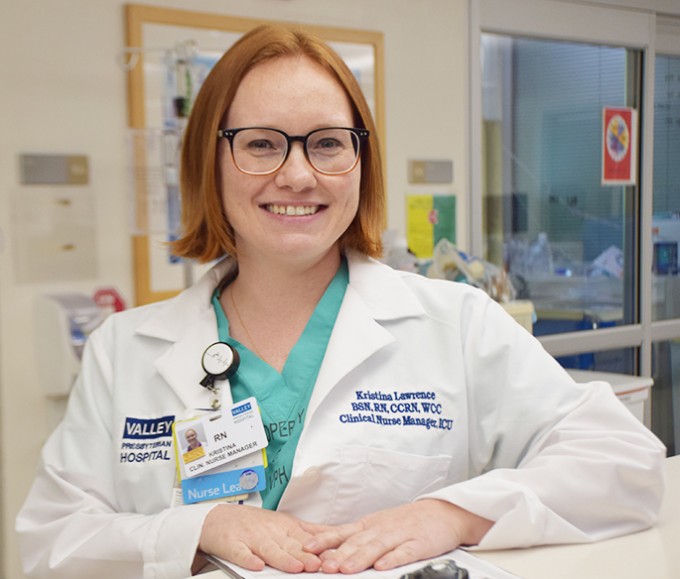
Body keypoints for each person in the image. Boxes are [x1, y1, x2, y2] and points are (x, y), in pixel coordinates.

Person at [16, 23, 665, 579]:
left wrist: (450, 514)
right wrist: (196, 527)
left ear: (361, 162)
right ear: (207, 162)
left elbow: (624, 463)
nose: (298, 174)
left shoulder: (455, 323)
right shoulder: (124, 349)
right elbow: (49, 540)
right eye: (262, 143)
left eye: (327, 143)